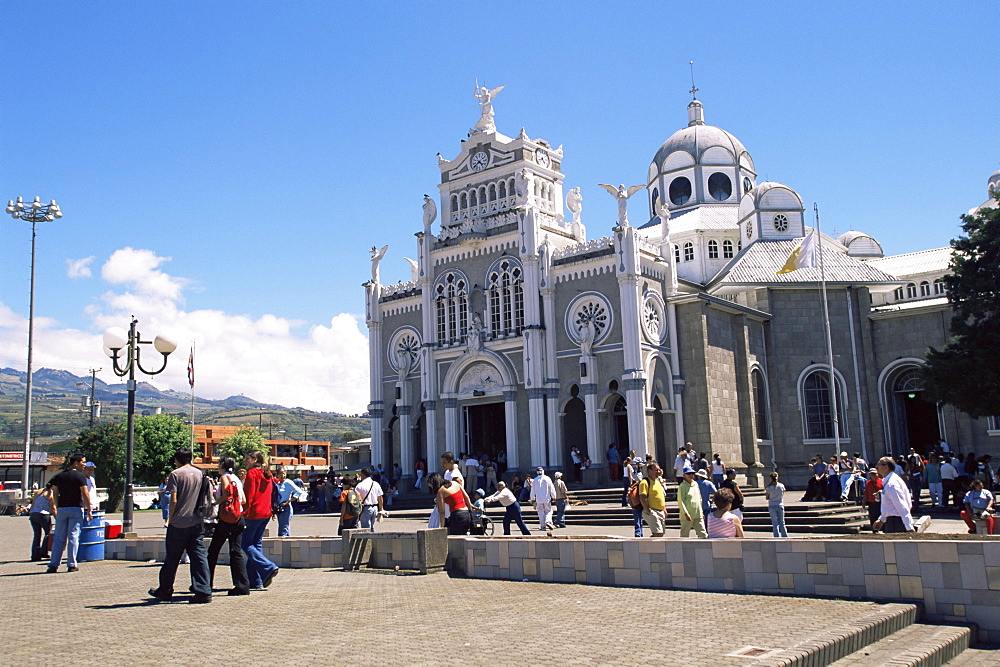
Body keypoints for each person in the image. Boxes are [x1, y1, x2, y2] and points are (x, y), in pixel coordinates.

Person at [148, 448, 212, 603]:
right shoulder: (200, 473)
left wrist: (171, 518)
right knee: (198, 557)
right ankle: (203, 590)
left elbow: (173, 499)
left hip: (179, 522)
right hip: (197, 521)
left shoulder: (175, 475)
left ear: (177, 459)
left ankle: (165, 589)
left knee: (172, 558)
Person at [206, 456, 250, 596]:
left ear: (222, 465)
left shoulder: (224, 477)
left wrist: (215, 503)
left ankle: (206, 582)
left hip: (226, 519)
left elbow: (226, 493)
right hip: (239, 517)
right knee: (236, 551)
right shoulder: (236, 478)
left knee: (213, 551)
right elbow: (243, 500)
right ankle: (242, 585)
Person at [47, 453, 93, 573]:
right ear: (76, 463)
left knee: (59, 537)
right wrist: (89, 509)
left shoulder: (59, 476)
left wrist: (56, 506)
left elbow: (54, 493)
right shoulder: (80, 477)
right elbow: (85, 493)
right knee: (73, 536)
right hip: (76, 509)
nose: (84, 464)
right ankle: (72, 564)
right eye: (83, 462)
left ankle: (53, 564)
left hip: (62, 509)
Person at [241, 450, 279, 591]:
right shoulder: (267, 474)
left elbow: (249, 496)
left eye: (247, 458)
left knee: (245, 544)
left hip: (254, 513)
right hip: (266, 512)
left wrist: (244, 512)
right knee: (256, 544)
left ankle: (268, 567)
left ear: (254, 459)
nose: (245, 461)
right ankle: (255, 581)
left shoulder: (252, 474)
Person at [872, 456, 915, 533]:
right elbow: (889, 505)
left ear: (886, 467)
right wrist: (882, 519)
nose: (876, 466)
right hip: (893, 520)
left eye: (879, 464)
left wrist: (909, 526)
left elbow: (901, 505)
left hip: (897, 522)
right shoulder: (888, 481)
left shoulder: (892, 484)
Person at [638, 462, 668, 537]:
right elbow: (642, 497)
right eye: (656, 470)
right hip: (652, 511)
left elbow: (660, 496)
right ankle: (645, 546)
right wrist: (648, 510)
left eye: (658, 470)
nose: (658, 472)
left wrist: (664, 508)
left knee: (661, 534)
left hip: (660, 511)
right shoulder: (644, 482)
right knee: (658, 533)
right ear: (649, 471)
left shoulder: (657, 481)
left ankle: (654, 547)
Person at [678, 466, 706, 538]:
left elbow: (699, 498)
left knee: (703, 534)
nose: (691, 475)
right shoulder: (682, 486)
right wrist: (686, 513)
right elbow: (681, 501)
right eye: (688, 474)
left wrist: (701, 511)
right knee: (685, 535)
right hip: (687, 515)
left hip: (698, 513)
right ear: (684, 475)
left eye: (692, 473)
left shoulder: (695, 484)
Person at [29, 483, 53, 561]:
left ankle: (35, 555)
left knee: (37, 535)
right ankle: (43, 552)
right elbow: (53, 507)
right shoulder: (50, 493)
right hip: (43, 514)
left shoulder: (39, 491)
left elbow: (33, 503)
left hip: (33, 514)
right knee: (48, 533)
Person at [273, 466, 297, 537]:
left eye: (284, 473)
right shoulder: (276, 483)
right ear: (277, 475)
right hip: (279, 507)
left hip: (286, 507)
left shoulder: (288, 482)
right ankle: (287, 544)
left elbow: (298, 492)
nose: (282, 475)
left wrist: (288, 501)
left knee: (283, 529)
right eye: (280, 474)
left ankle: (282, 544)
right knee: (284, 527)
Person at [530, 466, 557, 531]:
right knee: (548, 511)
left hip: (539, 499)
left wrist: (532, 498)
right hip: (547, 498)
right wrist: (554, 496)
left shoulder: (534, 480)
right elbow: (552, 488)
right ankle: (548, 521)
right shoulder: (547, 479)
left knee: (540, 512)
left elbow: (532, 490)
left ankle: (543, 526)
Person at [765, 472, 787, 538]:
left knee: (775, 523)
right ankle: (785, 536)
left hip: (772, 505)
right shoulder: (781, 486)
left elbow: (767, 497)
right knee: (782, 522)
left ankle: (776, 536)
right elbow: (782, 494)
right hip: (780, 504)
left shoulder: (769, 488)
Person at [863, 468, 883, 533]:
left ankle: (882, 529)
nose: (873, 476)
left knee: (880, 516)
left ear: (877, 474)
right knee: (872, 516)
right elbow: (866, 493)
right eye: (871, 474)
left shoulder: (881, 481)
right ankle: (874, 530)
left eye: (874, 474)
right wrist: (863, 503)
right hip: (871, 502)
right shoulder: (868, 483)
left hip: (880, 502)